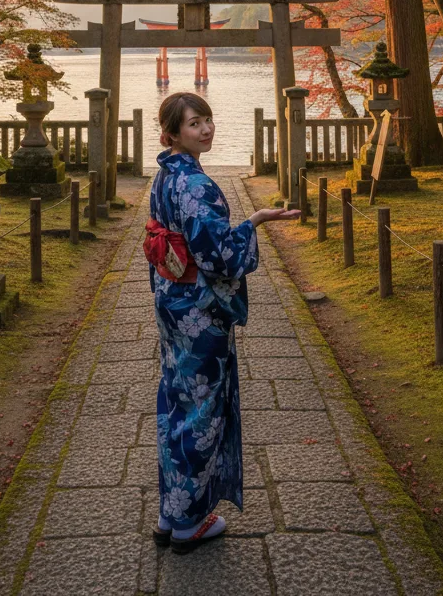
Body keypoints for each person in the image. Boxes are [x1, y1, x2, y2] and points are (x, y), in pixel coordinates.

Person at [145, 92, 299, 555]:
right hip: (198, 310)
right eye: (195, 124)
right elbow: (219, 256)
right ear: (173, 133)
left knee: (176, 399)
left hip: (171, 301)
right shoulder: (195, 185)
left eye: (208, 120)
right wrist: (255, 220)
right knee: (201, 411)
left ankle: (170, 512)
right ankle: (189, 522)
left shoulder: (164, 175)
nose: (206, 130)